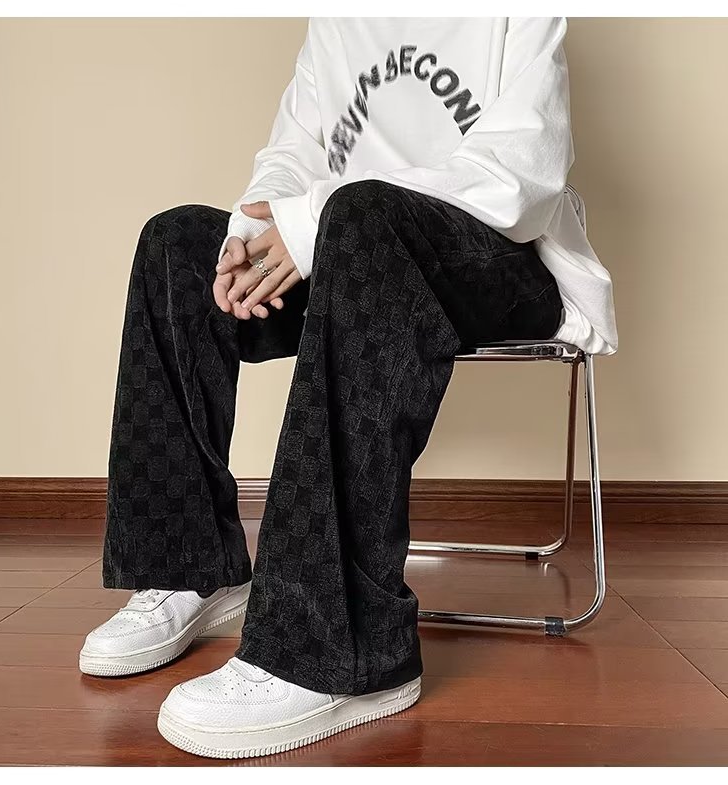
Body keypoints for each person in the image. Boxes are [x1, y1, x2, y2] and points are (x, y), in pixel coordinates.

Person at [79, 17, 618, 759]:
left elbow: (522, 173)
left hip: (498, 256)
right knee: (177, 246)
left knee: (363, 218)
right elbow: (296, 150)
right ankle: (190, 568)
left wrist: (314, 221)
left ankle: (342, 647)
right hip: (346, 243)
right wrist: (252, 233)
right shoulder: (339, 16)